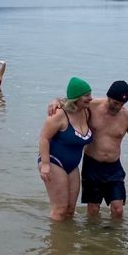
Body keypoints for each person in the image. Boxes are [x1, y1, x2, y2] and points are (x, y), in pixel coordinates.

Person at [78, 81, 128, 219]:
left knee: (118, 209)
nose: (117, 107)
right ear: (108, 97)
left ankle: (116, 238)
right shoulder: (92, 106)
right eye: (115, 103)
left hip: (113, 167)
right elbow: (71, 104)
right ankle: (93, 239)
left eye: (121, 104)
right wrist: (55, 102)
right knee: (93, 209)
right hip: (92, 164)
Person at [39, 77, 93, 221]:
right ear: (76, 98)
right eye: (87, 95)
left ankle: (66, 242)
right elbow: (44, 138)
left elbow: (106, 101)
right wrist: (45, 165)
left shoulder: (86, 110)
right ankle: (54, 243)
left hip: (72, 165)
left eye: (90, 94)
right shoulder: (58, 115)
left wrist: (56, 98)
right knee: (60, 210)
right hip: (53, 161)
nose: (91, 98)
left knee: (70, 210)